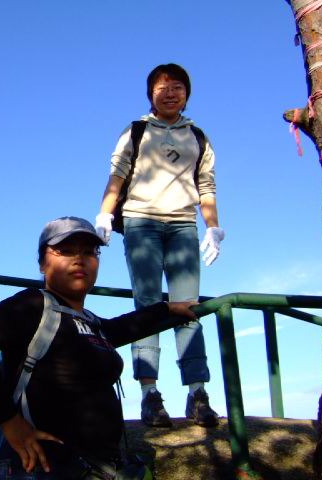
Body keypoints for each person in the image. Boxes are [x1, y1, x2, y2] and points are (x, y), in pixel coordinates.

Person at [0, 216, 197, 479]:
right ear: (42, 264)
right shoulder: (34, 305)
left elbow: (121, 327)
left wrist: (166, 308)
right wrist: (8, 421)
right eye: (65, 251)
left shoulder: (90, 321)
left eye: (89, 252)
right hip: (46, 468)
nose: (79, 259)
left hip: (101, 465)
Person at [95, 63, 225, 428]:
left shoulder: (198, 136)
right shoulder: (136, 130)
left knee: (189, 308)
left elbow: (206, 186)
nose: (170, 93)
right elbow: (117, 175)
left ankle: (197, 392)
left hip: (183, 224)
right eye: (162, 87)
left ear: (187, 93)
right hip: (141, 222)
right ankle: (149, 394)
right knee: (149, 307)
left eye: (178, 87)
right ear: (150, 94)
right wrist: (104, 214)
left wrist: (213, 227)